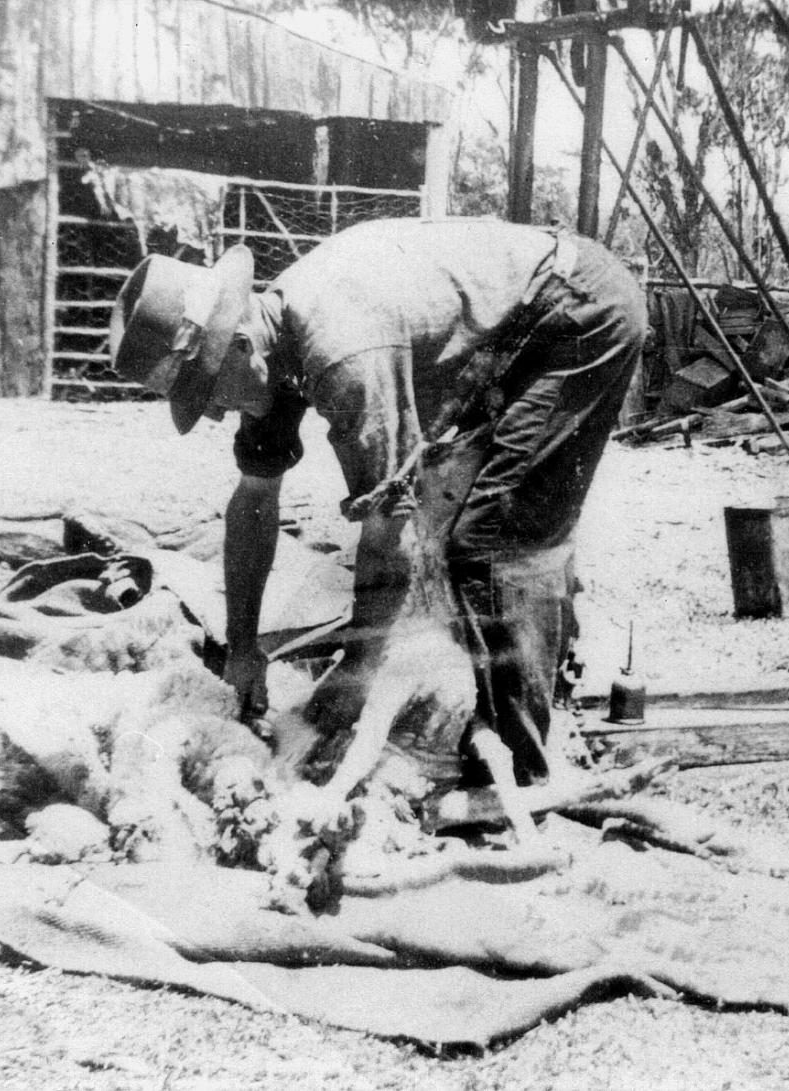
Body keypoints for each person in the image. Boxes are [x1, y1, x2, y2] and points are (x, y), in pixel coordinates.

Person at [109, 218, 646, 786]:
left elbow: (392, 521)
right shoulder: (270, 346)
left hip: (577, 312)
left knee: (493, 538)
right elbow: (255, 501)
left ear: (241, 349)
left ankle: (523, 770)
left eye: (207, 394)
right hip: (512, 333)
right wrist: (243, 651)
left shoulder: (341, 347)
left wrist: (356, 674)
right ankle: (506, 694)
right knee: (455, 513)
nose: (214, 414)